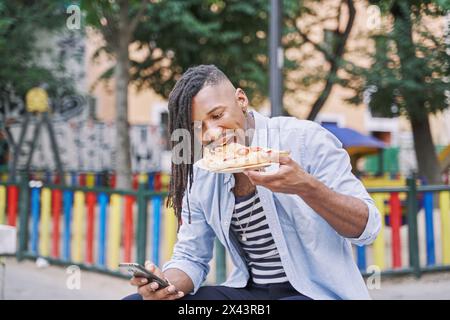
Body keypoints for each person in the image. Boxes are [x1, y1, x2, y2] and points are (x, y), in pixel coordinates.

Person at [124, 65, 381, 300]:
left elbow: (367, 227)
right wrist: (165, 286)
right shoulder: (202, 174)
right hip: (251, 295)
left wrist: (306, 186)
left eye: (217, 115)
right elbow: (191, 256)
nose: (212, 133)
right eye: (198, 127)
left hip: (318, 293)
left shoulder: (304, 139)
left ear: (241, 99)